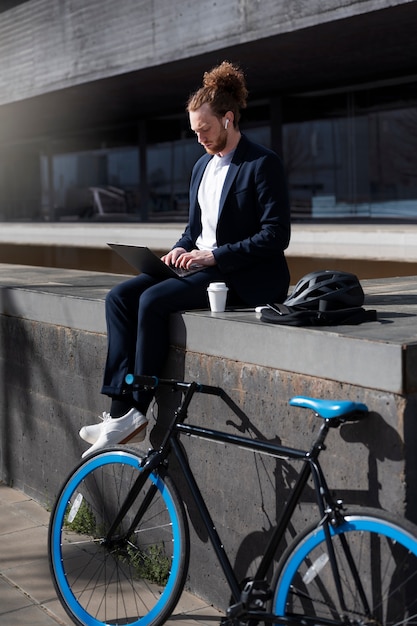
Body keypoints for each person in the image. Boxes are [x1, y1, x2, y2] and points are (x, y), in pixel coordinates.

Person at [79, 60, 291, 457]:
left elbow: (276, 237)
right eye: (194, 132)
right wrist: (180, 248)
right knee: (119, 297)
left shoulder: (262, 163)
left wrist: (213, 256)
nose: (200, 138)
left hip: (243, 275)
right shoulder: (200, 167)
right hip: (202, 265)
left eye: (205, 129)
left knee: (153, 301)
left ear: (228, 119)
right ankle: (119, 412)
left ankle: (139, 409)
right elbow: (195, 229)